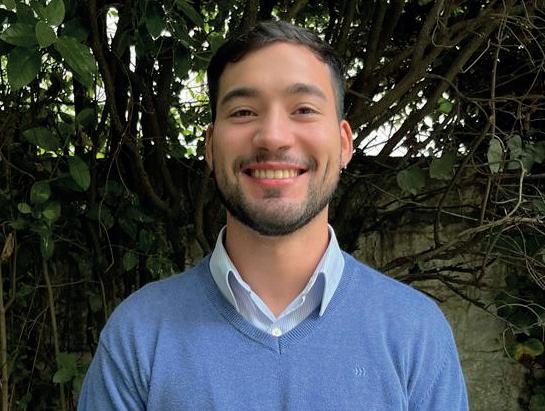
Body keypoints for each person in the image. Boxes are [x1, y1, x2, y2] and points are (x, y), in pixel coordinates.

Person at [78, 20, 468, 410]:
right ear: (210, 146)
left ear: (344, 143)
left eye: (304, 109)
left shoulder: (415, 333)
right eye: (244, 111)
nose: (273, 137)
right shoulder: (138, 336)